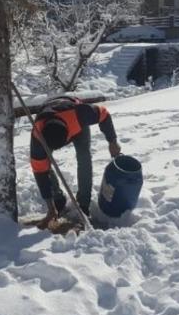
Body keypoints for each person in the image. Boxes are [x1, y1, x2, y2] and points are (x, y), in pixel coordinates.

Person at [30, 96, 121, 226]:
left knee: (84, 158)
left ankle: (84, 205)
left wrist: (112, 142)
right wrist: (50, 206)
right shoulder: (38, 137)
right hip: (49, 116)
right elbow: (39, 171)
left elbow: (104, 114)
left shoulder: (81, 114)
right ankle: (58, 201)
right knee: (45, 163)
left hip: (75, 121)